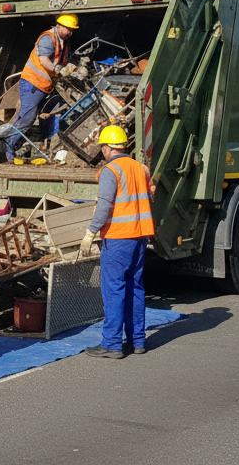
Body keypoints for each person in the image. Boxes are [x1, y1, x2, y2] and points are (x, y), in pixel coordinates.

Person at [78, 125, 154, 358]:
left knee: (114, 290)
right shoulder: (140, 168)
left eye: (102, 147)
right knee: (135, 287)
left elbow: (104, 206)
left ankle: (111, 344)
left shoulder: (110, 171)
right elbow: (150, 194)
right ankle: (137, 341)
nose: (101, 151)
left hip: (118, 237)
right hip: (140, 236)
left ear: (109, 148)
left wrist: (90, 233)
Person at [7, 14, 78, 156]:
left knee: (53, 114)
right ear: (59, 25)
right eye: (68, 29)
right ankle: (8, 148)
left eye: (72, 30)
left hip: (46, 86)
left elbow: (63, 60)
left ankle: (48, 149)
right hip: (33, 84)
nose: (70, 32)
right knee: (27, 117)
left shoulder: (63, 41)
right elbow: (44, 60)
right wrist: (58, 70)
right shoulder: (48, 38)